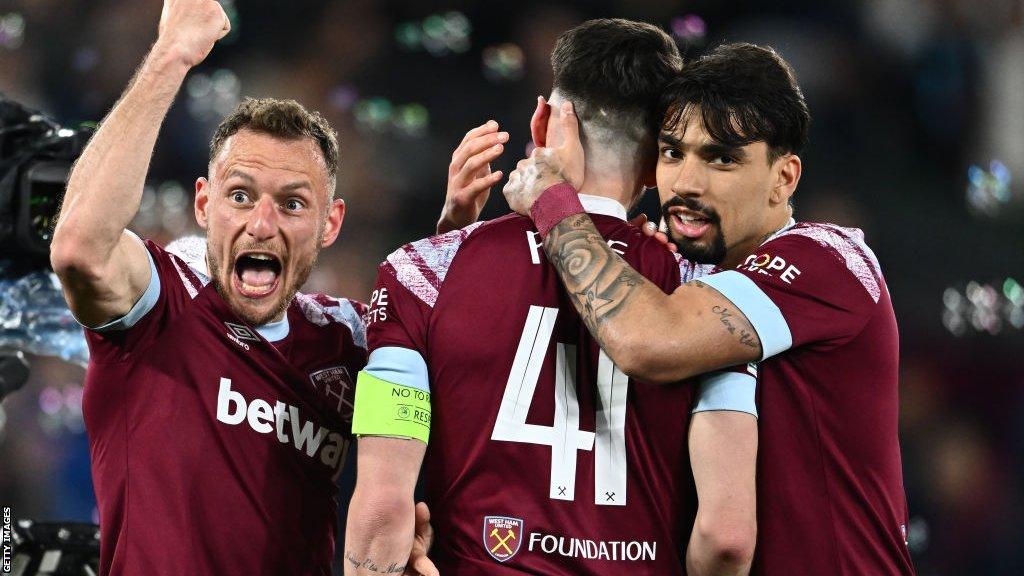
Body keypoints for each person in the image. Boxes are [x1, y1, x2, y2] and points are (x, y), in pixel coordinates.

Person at [345, 19, 758, 576]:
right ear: (659, 163)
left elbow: (382, 508)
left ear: (543, 125)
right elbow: (728, 538)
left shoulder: (420, 273)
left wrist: (448, 241)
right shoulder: (711, 296)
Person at [502, 43, 916, 575]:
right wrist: (457, 234)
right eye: (673, 152)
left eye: (722, 158)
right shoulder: (686, 275)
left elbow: (646, 342)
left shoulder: (828, 261)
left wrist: (553, 202)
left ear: (784, 178)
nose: (688, 183)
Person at [49, 1, 433, 574]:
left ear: (330, 225)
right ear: (204, 204)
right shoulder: (160, 306)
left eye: (293, 204)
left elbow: (452, 380)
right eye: (240, 195)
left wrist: (449, 241)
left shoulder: (350, 339)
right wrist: (171, 55)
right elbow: (79, 247)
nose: (261, 224)